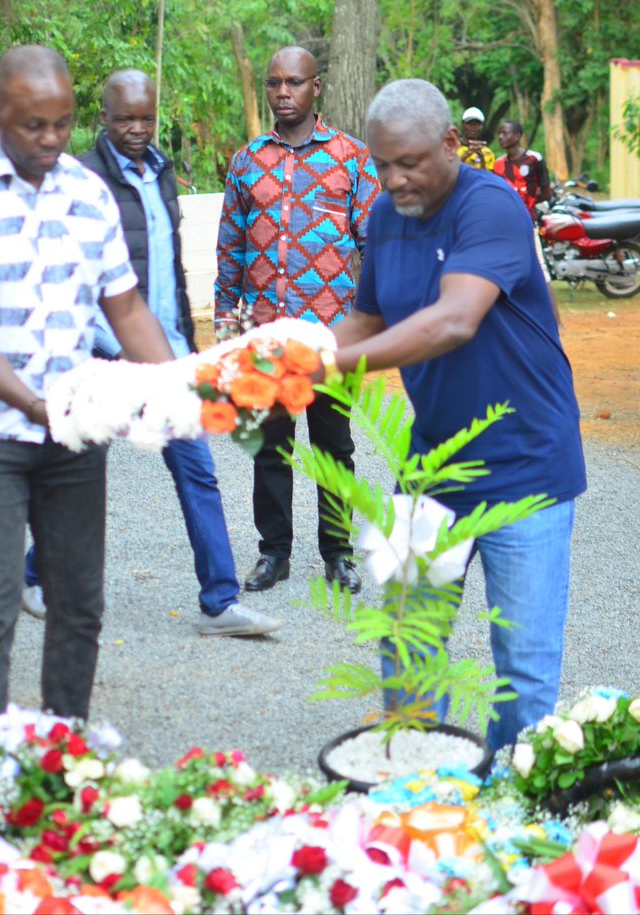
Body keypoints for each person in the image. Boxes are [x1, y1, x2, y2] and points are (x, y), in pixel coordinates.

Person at [0, 45, 174, 719]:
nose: (53, 138)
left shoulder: (89, 193)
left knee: (80, 602)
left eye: (62, 123)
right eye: (35, 125)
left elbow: (127, 309)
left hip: (71, 435)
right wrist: (36, 405)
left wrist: (181, 383)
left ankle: (65, 757)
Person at [332, 78, 586, 751]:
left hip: (528, 467)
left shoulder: (492, 205)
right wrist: (275, 358)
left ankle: (510, 805)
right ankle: (420, 796)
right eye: (379, 164)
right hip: (432, 468)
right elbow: (364, 320)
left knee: (524, 678)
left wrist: (329, 368)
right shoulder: (387, 217)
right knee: (410, 655)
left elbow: (452, 321)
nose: (392, 180)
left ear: (450, 143)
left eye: (408, 162)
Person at [16, 69, 280, 638]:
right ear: (103, 119)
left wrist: (184, 343)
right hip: (106, 356)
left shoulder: (162, 172)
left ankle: (220, 602)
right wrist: (109, 350)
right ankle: (31, 575)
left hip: (168, 354)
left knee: (198, 473)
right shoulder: (79, 179)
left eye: (146, 119)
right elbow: (70, 278)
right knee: (81, 473)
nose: (136, 130)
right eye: (124, 119)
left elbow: (167, 264)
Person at [214, 46, 379, 596]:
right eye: (273, 83)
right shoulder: (247, 161)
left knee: (335, 448)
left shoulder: (352, 158)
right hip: (265, 337)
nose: (282, 93)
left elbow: (374, 245)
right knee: (270, 447)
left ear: (317, 88)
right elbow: (231, 252)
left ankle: (337, 554)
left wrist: (369, 323)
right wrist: (224, 326)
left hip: (334, 339)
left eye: (294, 83)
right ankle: (274, 554)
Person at [494, 119, 560, 325]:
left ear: (518, 136)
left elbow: (545, 191)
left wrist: (526, 204)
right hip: (503, 224)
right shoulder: (497, 164)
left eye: (505, 133)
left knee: (540, 268)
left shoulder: (534, 159)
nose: (501, 137)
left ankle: (555, 320)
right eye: (499, 133)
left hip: (526, 222)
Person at [457, 107, 495, 171]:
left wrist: (482, 159)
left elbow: (487, 178)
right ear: (463, 125)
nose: (473, 127)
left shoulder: (488, 153)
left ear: (482, 127)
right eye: (470, 123)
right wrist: (466, 155)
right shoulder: (452, 148)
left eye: (477, 124)